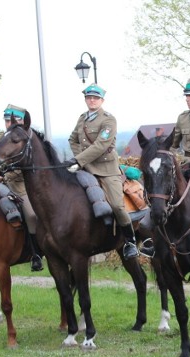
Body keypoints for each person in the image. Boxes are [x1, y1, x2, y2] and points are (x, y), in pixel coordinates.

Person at [63, 84, 139, 259]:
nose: (92, 100)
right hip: (85, 167)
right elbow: (72, 139)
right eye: (89, 97)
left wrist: (78, 160)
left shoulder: (108, 120)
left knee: (117, 206)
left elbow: (101, 145)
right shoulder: (82, 118)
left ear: (102, 100)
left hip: (106, 169)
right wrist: (79, 158)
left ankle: (130, 241)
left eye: (95, 98)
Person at [0, 105, 43, 271]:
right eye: (6, 120)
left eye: (12, 120)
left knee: (32, 216)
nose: (8, 123)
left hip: (19, 186)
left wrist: (4, 175)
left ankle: (36, 254)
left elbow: (26, 164)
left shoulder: (26, 138)